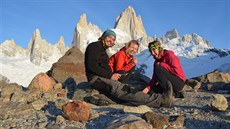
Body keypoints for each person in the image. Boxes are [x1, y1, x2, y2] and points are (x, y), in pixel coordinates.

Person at [85, 29, 174, 108]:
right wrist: (110, 75)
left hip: (105, 78)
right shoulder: (94, 46)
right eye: (110, 38)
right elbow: (91, 65)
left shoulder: (102, 50)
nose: (111, 41)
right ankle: (161, 101)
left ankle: (156, 95)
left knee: (126, 91)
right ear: (103, 37)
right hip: (96, 79)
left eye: (113, 40)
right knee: (124, 90)